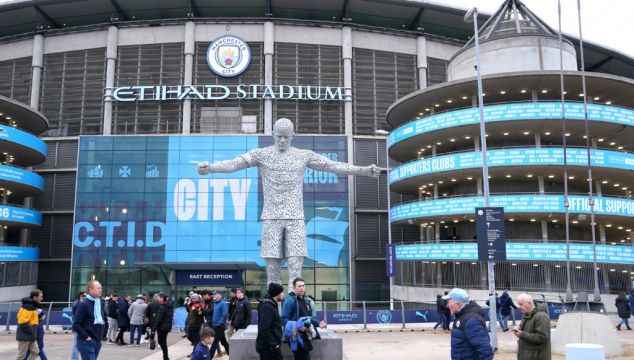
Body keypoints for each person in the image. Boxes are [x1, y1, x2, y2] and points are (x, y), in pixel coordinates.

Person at [197, 118, 380, 290]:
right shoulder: (262, 154)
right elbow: (234, 164)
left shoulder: (303, 155)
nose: (282, 140)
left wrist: (363, 170)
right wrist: (211, 167)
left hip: (295, 216)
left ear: (293, 135)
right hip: (271, 215)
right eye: (279, 136)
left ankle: (294, 298)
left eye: (286, 136)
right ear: (273, 135)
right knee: (272, 265)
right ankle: (273, 301)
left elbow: (332, 166)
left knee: (295, 264)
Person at [281, 278, 327, 360]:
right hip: (295, 335)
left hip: (304, 335)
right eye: (299, 286)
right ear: (294, 288)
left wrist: (318, 323)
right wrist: (298, 327)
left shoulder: (305, 300)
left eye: (303, 286)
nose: (302, 288)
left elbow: (308, 317)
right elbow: (284, 319)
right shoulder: (289, 301)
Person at [444, 288, 493, 360]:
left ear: (457, 303)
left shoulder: (471, 321)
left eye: (449, 302)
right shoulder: (461, 317)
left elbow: (485, 351)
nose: (447, 305)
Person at [72, 280, 105, 360]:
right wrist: (87, 337)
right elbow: (76, 324)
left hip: (97, 341)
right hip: (86, 342)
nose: (101, 290)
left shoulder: (98, 303)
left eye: (101, 288)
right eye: (98, 288)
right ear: (90, 290)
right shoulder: (84, 304)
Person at [513, 293, 551, 360]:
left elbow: (542, 338)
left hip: (537, 356)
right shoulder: (526, 314)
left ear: (529, 303)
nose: (518, 306)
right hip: (526, 355)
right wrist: (518, 327)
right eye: (518, 304)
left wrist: (522, 334)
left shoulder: (541, 316)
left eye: (521, 304)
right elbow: (524, 327)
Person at [257, 283, 285, 360]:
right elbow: (264, 328)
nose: (283, 294)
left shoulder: (271, 305)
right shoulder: (268, 307)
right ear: (277, 293)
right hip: (269, 348)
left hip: (270, 347)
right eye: (282, 292)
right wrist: (274, 344)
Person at [16, 289, 43, 360]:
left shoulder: (31, 306)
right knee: (21, 356)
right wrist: (32, 331)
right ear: (35, 297)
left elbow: (21, 317)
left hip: (30, 335)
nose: (41, 299)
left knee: (36, 351)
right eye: (40, 297)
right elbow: (23, 322)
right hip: (25, 335)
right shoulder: (28, 307)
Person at [152, 292, 174, 360]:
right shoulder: (169, 305)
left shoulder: (162, 307)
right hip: (166, 327)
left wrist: (153, 329)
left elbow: (158, 319)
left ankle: (166, 357)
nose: (157, 298)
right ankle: (165, 357)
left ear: (162, 298)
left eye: (158, 297)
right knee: (163, 342)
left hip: (162, 327)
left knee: (162, 342)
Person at [210, 290, 230, 358]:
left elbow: (225, 315)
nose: (214, 295)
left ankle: (208, 357)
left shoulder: (223, 303)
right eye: (214, 294)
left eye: (215, 294)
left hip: (220, 326)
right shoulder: (215, 303)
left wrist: (218, 323)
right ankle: (231, 353)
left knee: (215, 342)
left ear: (220, 295)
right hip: (215, 325)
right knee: (223, 342)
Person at [71, 291, 86, 359]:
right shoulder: (78, 304)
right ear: (81, 296)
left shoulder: (76, 302)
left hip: (77, 326)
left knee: (76, 344)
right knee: (76, 345)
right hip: (78, 326)